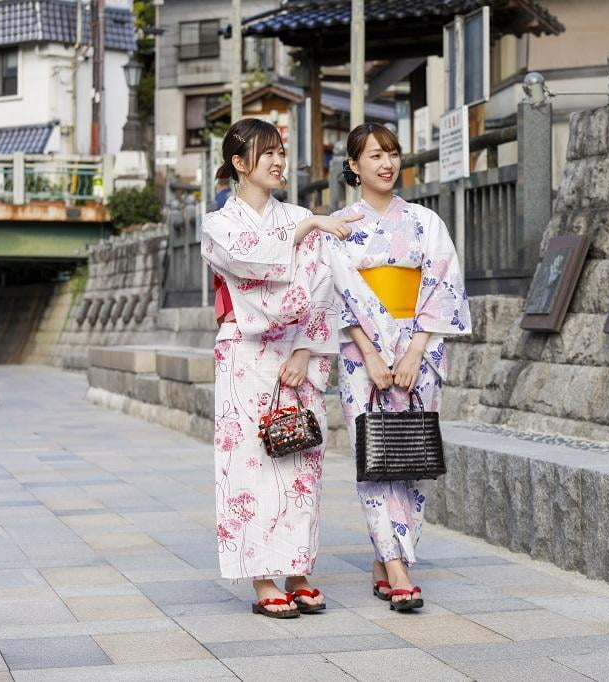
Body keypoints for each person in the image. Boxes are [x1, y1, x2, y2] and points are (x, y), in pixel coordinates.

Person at [200, 118, 362, 618]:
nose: (276, 161)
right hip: (246, 355)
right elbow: (252, 266)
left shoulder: (295, 216)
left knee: (299, 465)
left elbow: (321, 289)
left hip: (296, 357)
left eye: (280, 152)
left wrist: (303, 350)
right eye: (265, 152)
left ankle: (297, 568)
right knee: (250, 465)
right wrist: (309, 226)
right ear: (238, 163)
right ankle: (262, 576)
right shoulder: (219, 225)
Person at [333, 123, 472, 611]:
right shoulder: (339, 226)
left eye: (392, 154)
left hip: (419, 348)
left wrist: (414, 351)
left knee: (410, 455)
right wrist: (371, 353)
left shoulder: (424, 222)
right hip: (360, 355)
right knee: (374, 457)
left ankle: (386, 559)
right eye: (374, 156)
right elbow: (335, 295)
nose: (386, 163)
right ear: (354, 165)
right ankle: (397, 567)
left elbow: (443, 286)